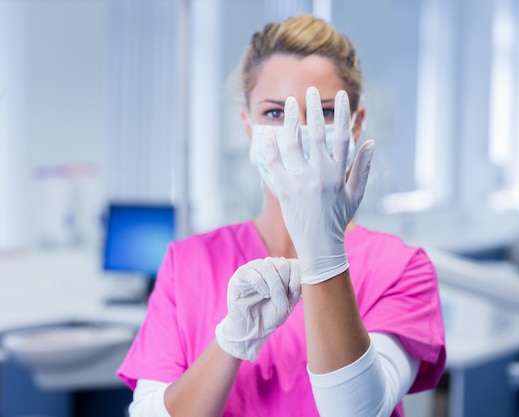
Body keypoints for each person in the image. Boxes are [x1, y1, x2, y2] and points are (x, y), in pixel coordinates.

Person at [117, 14, 446, 417]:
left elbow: (359, 412)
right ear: (248, 125)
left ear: (355, 124)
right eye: (275, 114)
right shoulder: (188, 264)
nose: (295, 132)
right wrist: (231, 341)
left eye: (323, 111)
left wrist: (323, 251)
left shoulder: (400, 269)